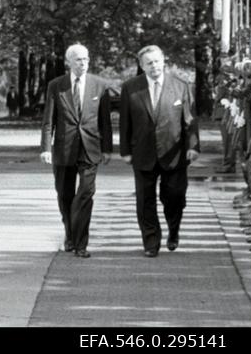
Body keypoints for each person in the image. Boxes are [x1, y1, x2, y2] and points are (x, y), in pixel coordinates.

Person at [120, 45, 200, 257]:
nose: (153, 66)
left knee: (174, 196)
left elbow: (190, 121)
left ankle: (173, 229)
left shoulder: (181, 86)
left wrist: (193, 146)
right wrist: (125, 151)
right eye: (149, 63)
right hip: (142, 153)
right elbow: (125, 122)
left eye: (156, 61)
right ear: (141, 66)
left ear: (164, 61)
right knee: (145, 200)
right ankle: (151, 242)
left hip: (173, 153)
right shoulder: (130, 88)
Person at [40, 44, 113, 258]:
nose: (83, 63)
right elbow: (48, 121)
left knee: (86, 193)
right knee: (64, 195)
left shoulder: (100, 86)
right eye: (79, 59)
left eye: (86, 59)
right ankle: (70, 235)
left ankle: (81, 243)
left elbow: (105, 122)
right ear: (69, 62)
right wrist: (46, 148)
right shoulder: (56, 85)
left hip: (90, 149)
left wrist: (107, 149)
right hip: (63, 148)